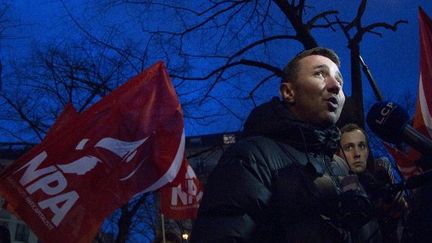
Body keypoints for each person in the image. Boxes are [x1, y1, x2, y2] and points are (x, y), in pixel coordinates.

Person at [190, 47, 382, 243]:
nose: (336, 86)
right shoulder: (250, 158)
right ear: (288, 92)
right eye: (320, 74)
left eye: (340, 80)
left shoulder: (340, 166)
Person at [338, 123, 407, 243]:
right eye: (349, 147)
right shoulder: (334, 188)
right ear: (338, 153)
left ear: (368, 151)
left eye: (362, 146)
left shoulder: (378, 182)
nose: (357, 154)